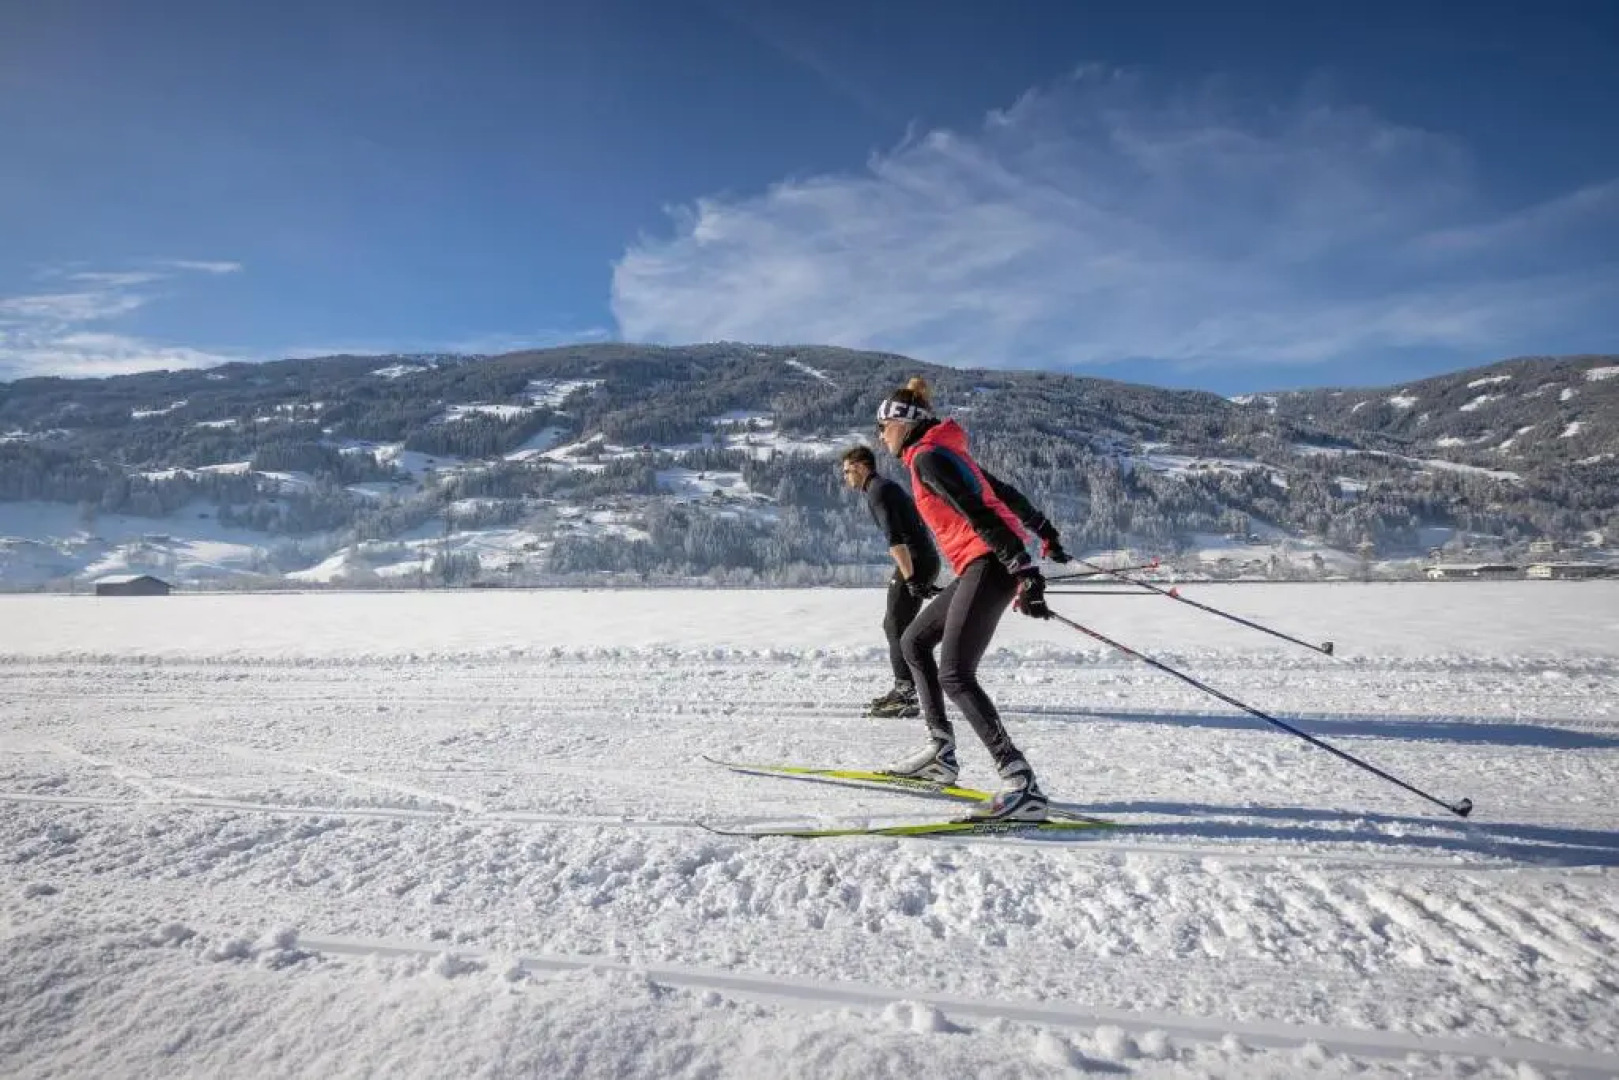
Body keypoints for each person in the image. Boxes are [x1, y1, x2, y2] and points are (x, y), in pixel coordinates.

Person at [873, 376, 1071, 821]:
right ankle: (940, 753)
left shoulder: (927, 459)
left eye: (881, 426)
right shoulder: (943, 453)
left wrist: (1023, 568)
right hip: (980, 564)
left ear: (902, 424)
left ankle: (1022, 784)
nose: (879, 436)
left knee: (956, 674)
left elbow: (978, 511)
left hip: (990, 563)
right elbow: (1000, 492)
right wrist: (1044, 532)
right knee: (913, 641)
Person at [840, 445, 942, 719]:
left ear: (861, 467)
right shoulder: (884, 488)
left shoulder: (878, 491)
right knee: (896, 625)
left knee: (896, 626)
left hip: (916, 561)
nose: (846, 478)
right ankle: (907, 689)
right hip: (923, 560)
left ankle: (905, 695)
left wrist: (911, 578)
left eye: (847, 471)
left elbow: (895, 539)